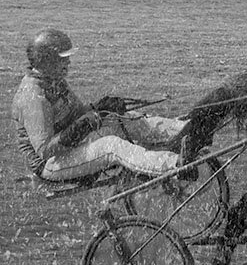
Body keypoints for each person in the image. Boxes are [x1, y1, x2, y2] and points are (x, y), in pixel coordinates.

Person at [11, 28, 192, 182]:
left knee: (118, 119)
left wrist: (101, 107)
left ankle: (185, 130)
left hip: (68, 149)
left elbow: (78, 114)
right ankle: (174, 164)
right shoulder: (33, 96)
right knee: (111, 146)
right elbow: (45, 151)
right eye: (63, 58)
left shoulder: (54, 81)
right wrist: (83, 125)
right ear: (47, 60)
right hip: (50, 165)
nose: (68, 62)